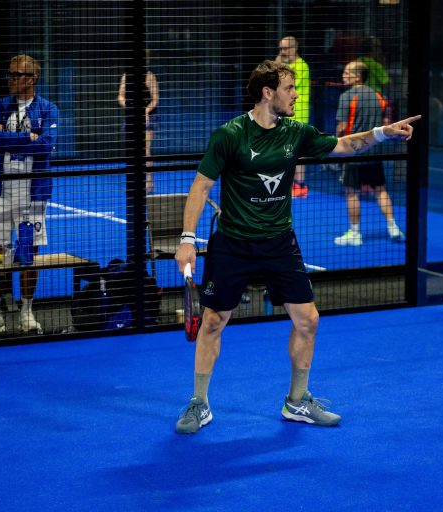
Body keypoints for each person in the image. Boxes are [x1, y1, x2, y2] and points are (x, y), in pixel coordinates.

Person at [173, 60, 420, 434]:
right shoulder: (230, 135)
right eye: (290, 88)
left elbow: (343, 145)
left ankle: (297, 401)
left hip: (279, 242)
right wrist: (187, 240)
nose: (296, 94)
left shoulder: (296, 132)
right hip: (233, 243)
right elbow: (201, 186)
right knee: (212, 322)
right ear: (267, 93)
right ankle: (199, 403)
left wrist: (383, 132)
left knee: (308, 320)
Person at [0, 55, 58, 336]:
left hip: (33, 194)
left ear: (32, 78)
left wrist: (9, 140)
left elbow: (46, 145)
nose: (10, 79)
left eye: (16, 75)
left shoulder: (48, 109)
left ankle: (26, 313)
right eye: (9, 74)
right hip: (0, 192)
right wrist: (26, 138)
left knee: (28, 256)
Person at [334, 61, 405, 246]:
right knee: (380, 191)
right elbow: (387, 125)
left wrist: (336, 149)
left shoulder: (346, 96)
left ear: (358, 76)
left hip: (352, 153)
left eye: (348, 72)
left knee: (351, 193)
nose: (343, 75)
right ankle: (393, 228)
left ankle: (355, 234)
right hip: (374, 153)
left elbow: (342, 127)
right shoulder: (379, 97)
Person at [117, 50, 159, 194]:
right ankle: (134, 182)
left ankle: (149, 183)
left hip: (148, 117)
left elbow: (155, 99)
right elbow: (120, 97)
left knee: (145, 150)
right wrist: (130, 107)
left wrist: (144, 111)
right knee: (132, 150)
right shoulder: (126, 76)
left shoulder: (149, 76)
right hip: (132, 117)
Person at [276, 36, 311, 199]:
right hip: (287, 114)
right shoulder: (289, 66)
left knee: (296, 152)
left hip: (298, 115)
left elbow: (282, 83)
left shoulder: (300, 66)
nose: (282, 52)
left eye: (285, 49)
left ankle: (300, 186)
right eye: (280, 49)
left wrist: (277, 64)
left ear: (294, 48)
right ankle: (294, 184)